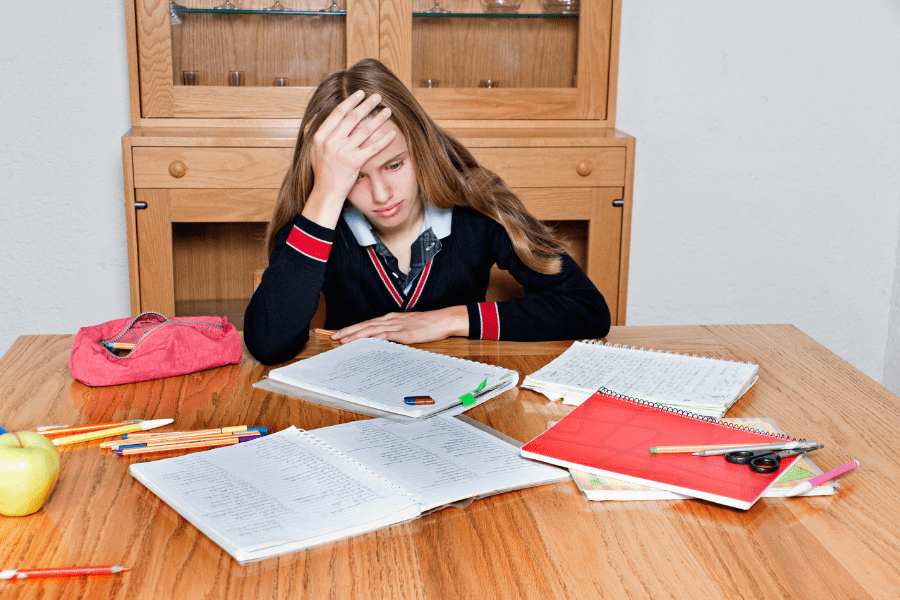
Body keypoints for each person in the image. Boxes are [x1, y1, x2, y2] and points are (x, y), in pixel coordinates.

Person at [244, 59, 610, 365]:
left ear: (419, 146)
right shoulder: (317, 219)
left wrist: (450, 319)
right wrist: (326, 192)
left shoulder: (476, 204)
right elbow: (269, 345)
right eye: (355, 177)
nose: (382, 194)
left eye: (394, 165)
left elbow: (587, 309)